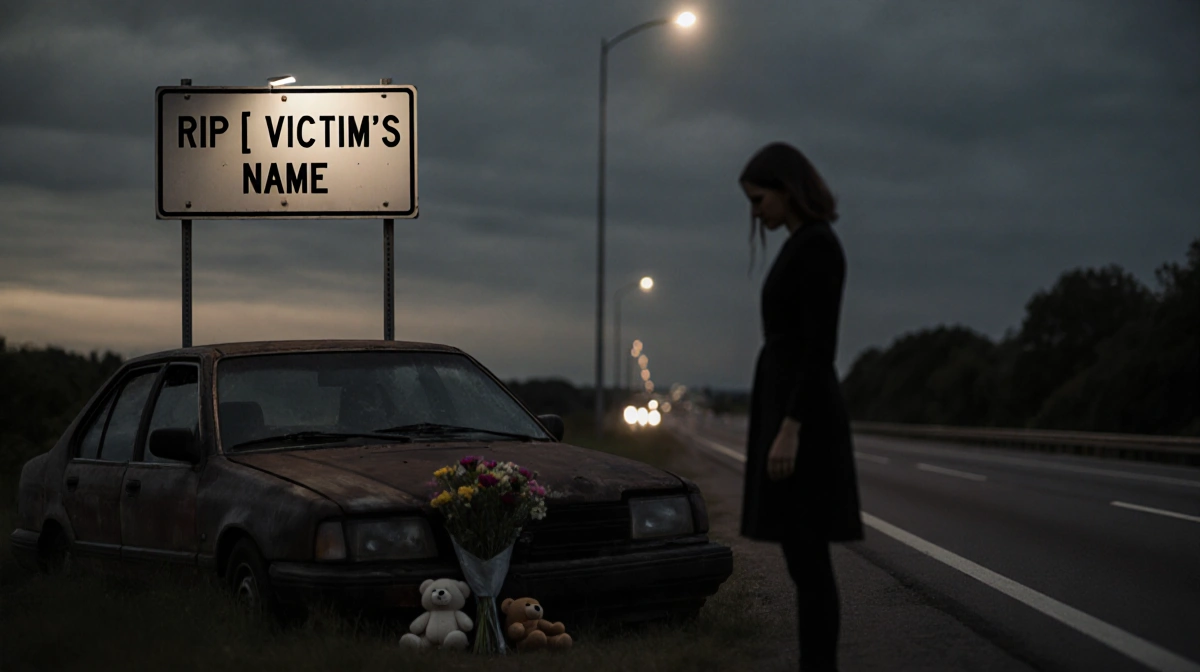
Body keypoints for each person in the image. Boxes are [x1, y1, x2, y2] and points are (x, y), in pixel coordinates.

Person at [738, 142, 864, 672]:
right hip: (789, 406)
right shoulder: (801, 243)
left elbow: (819, 347)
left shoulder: (818, 247)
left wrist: (790, 427)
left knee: (809, 558)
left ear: (788, 190)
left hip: (803, 417)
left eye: (759, 198)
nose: (755, 211)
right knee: (801, 557)